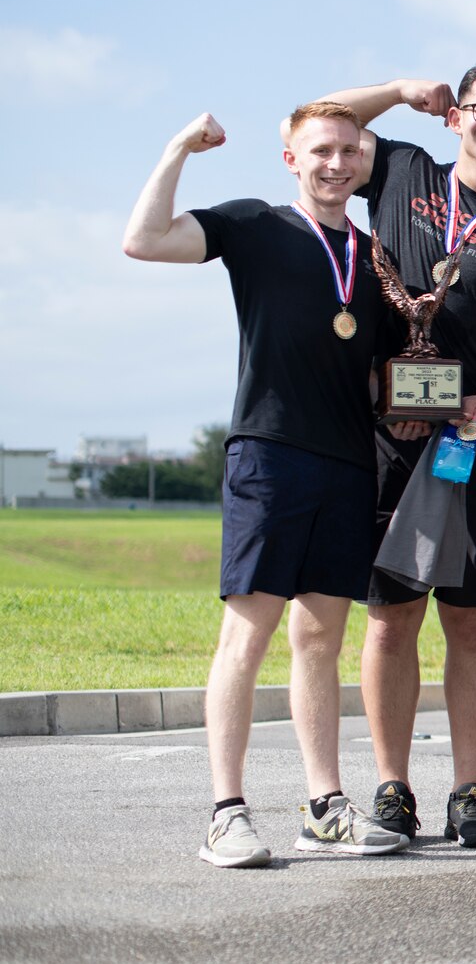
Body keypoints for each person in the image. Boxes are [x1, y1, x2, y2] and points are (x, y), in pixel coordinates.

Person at [122, 105, 408, 866]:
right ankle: (226, 811)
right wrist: (179, 144)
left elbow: (384, 372)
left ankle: (324, 804)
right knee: (245, 635)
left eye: (350, 150)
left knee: (320, 639)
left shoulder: (375, 260)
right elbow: (143, 239)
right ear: (291, 158)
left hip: (350, 463)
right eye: (321, 150)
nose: (337, 162)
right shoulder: (256, 225)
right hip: (269, 456)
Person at [311, 63, 476, 847]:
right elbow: (318, 122)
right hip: (387, 439)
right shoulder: (398, 169)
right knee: (391, 620)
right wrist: (396, 91)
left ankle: (469, 789)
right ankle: (393, 787)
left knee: (470, 622)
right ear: (456, 116)